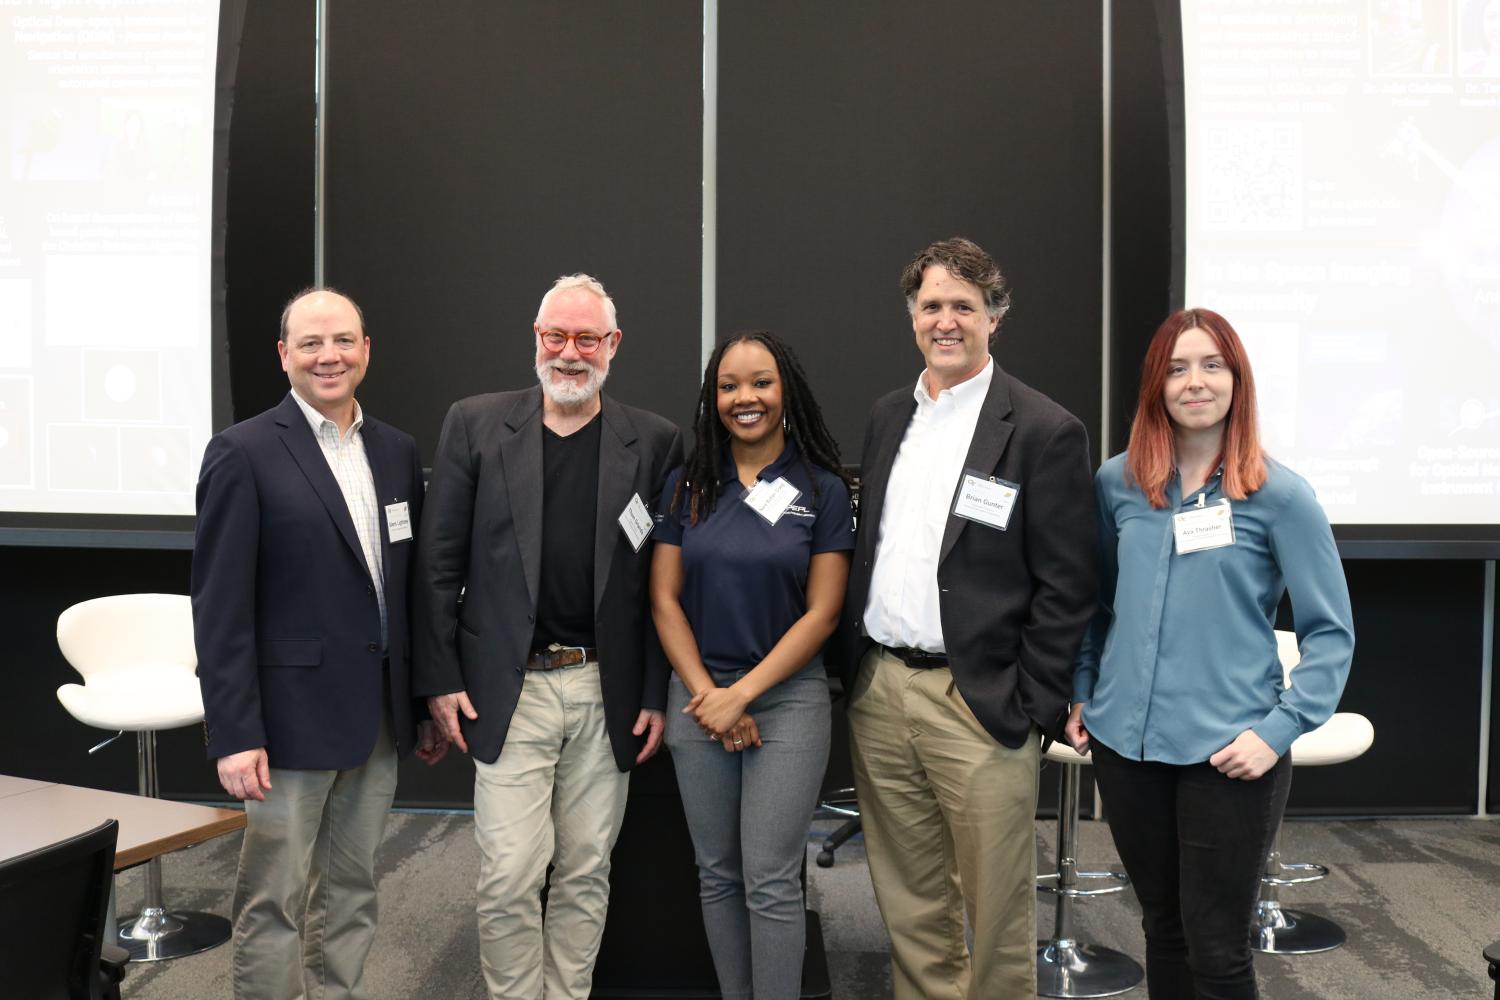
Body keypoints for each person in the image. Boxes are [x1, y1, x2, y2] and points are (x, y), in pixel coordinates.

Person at [836, 237, 1098, 999]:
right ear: (912, 316)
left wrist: (1031, 700)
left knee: (997, 908)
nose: (945, 321)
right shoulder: (891, 416)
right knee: (911, 901)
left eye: (963, 306)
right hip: (881, 690)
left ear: (994, 317)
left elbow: (1067, 583)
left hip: (978, 702)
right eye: (931, 306)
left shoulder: (1046, 430)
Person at [1067, 307, 1355, 1000]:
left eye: (1211, 365)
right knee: (1162, 930)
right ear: (1155, 387)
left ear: (1237, 379)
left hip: (1229, 754)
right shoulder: (1118, 485)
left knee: (1218, 951)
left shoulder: (1280, 496)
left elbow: (1331, 633)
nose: (1194, 382)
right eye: (1176, 368)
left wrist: (1277, 733)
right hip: (1127, 748)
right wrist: (1083, 687)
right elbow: (1095, 604)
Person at [413, 273, 683, 1000]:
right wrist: (439, 677)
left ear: (612, 345)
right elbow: (438, 564)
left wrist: (656, 691)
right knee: (509, 876)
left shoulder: (654, 442)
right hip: (510, 686)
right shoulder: (475, 424)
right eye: (555, 337)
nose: (569, 353)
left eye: (585, 338)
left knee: (587, 870)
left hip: (608, 688)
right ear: (536, 339)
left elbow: (663, 585)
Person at [193, 287, 448, 1000]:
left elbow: (406, 592)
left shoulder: (396, 452)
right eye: (310, 344)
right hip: (285, 723)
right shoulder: (241, 453)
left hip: (376, 717)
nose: (328, 356)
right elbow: (220, 608)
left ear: (367, 350)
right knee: (273, 901)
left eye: (342, 341)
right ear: (284, 356)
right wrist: (234, 731)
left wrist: (421, 701)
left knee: (353, 890)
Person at [650, 332, 854, 1000]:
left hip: (787, 702)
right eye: (730, 385)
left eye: (761, 382)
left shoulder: (821, 488)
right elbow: (664, 599)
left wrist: (744, 695)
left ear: (786, 390)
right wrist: (712, 694)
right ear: (713, 398)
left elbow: (822, 614)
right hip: (698, 700)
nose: (746, 398)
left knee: (769, 876)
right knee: (717, 874)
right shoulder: (689, 484)